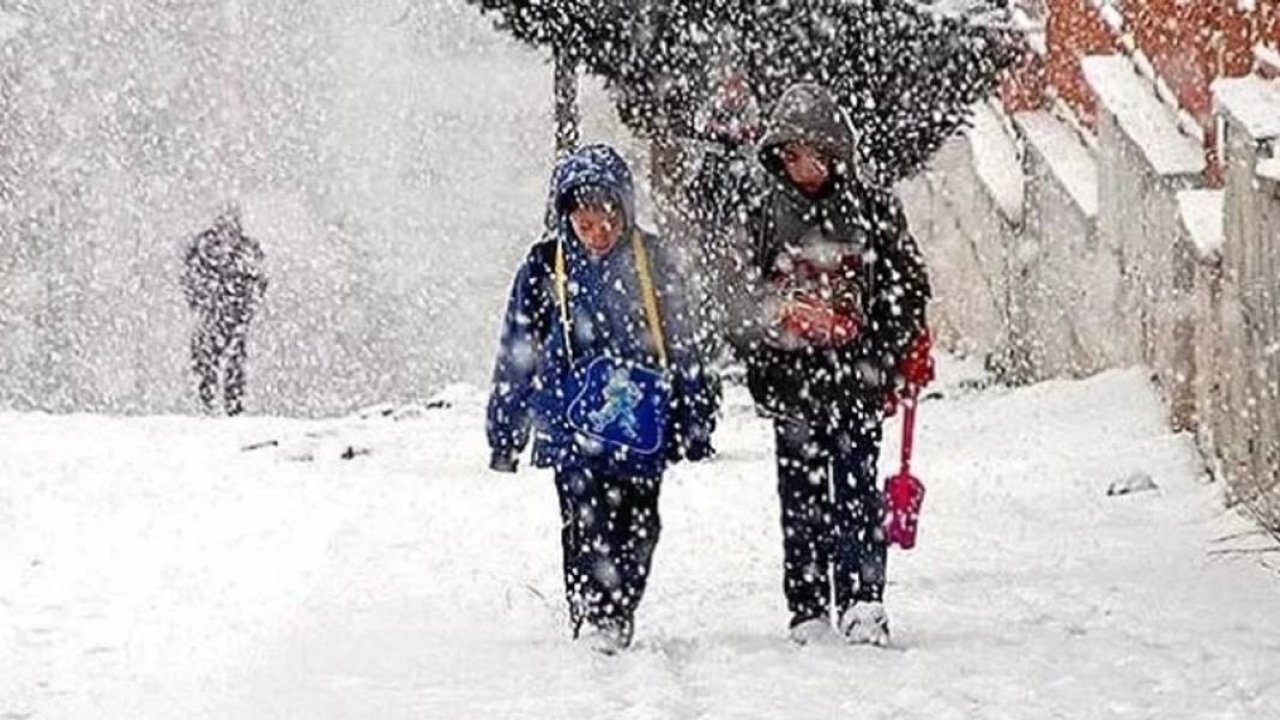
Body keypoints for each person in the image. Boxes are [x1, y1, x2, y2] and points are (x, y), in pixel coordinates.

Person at [486, 144, 718, 654]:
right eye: (585, 224)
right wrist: (505, 430)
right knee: (583, 518)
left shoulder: (653, 262)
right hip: (569, 423)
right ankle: (593, 612)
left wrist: (696, 414)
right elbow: (517, 348)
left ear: (625, 213)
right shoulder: (545, 265)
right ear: (567, 218)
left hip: (640, 423)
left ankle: (620, 605)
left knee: (640, 523)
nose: (597, 235)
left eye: (607, 221)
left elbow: (683, 341)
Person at [731, 83, 934, 646]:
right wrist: (769, 340)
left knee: (856, 491)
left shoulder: (871, 206)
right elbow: (738, 292)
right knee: (800, 497)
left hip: (857, 380)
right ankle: (807, 605)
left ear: (837, 153)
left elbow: (906, 284)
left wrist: (885, 351)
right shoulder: (762, 212)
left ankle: (864, 598)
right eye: (793, 156)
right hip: (792, 383)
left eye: (816, 155)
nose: (806, 168)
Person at [180, 205, 267, 416]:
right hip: (215, 313)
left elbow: (258, 282)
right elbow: (189, 279)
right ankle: (208, 405)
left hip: (231, 314)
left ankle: (230, 407)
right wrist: (202, 300)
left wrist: (246, 307)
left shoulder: (244, 250)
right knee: (207, 358)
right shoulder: (205, 248)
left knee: (231, 360)